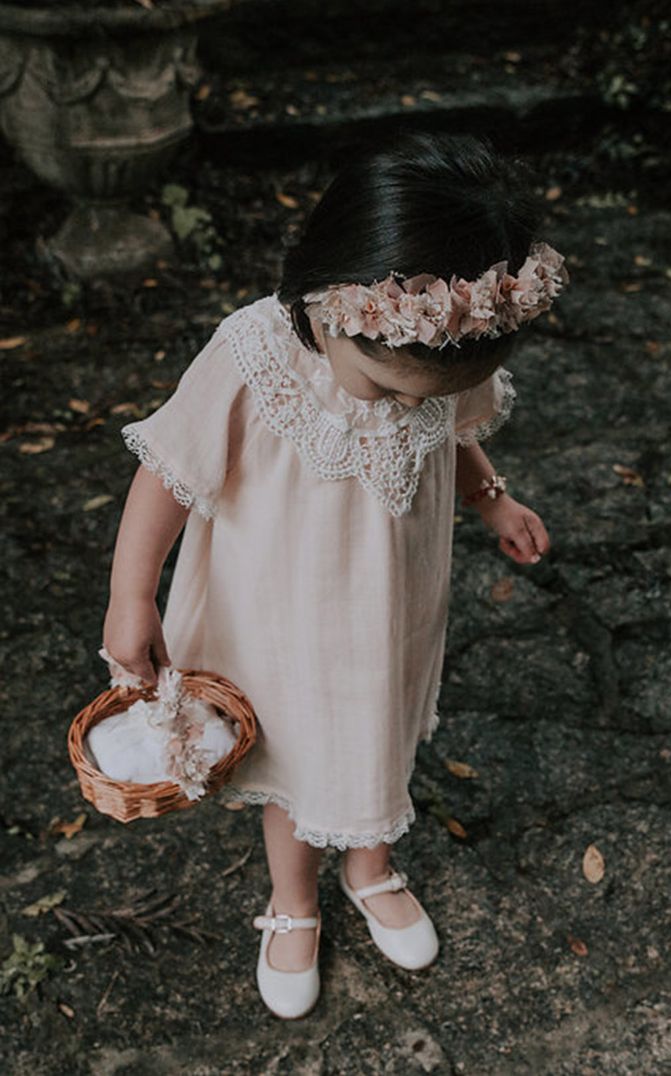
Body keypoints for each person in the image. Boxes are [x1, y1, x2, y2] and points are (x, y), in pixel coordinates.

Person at [103, 130, 568, 1020]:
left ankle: (371, 865)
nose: (409, 408)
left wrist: (494, 500)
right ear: (330, 304)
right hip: (281, 612)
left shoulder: (439, 358)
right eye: (387, 391)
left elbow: (455, 431)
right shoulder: (251, 356)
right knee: (298, 748)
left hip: (393, 603)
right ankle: (294, 901)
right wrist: (131, 597)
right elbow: (165, 470)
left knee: (380, 731)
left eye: (422, 396)